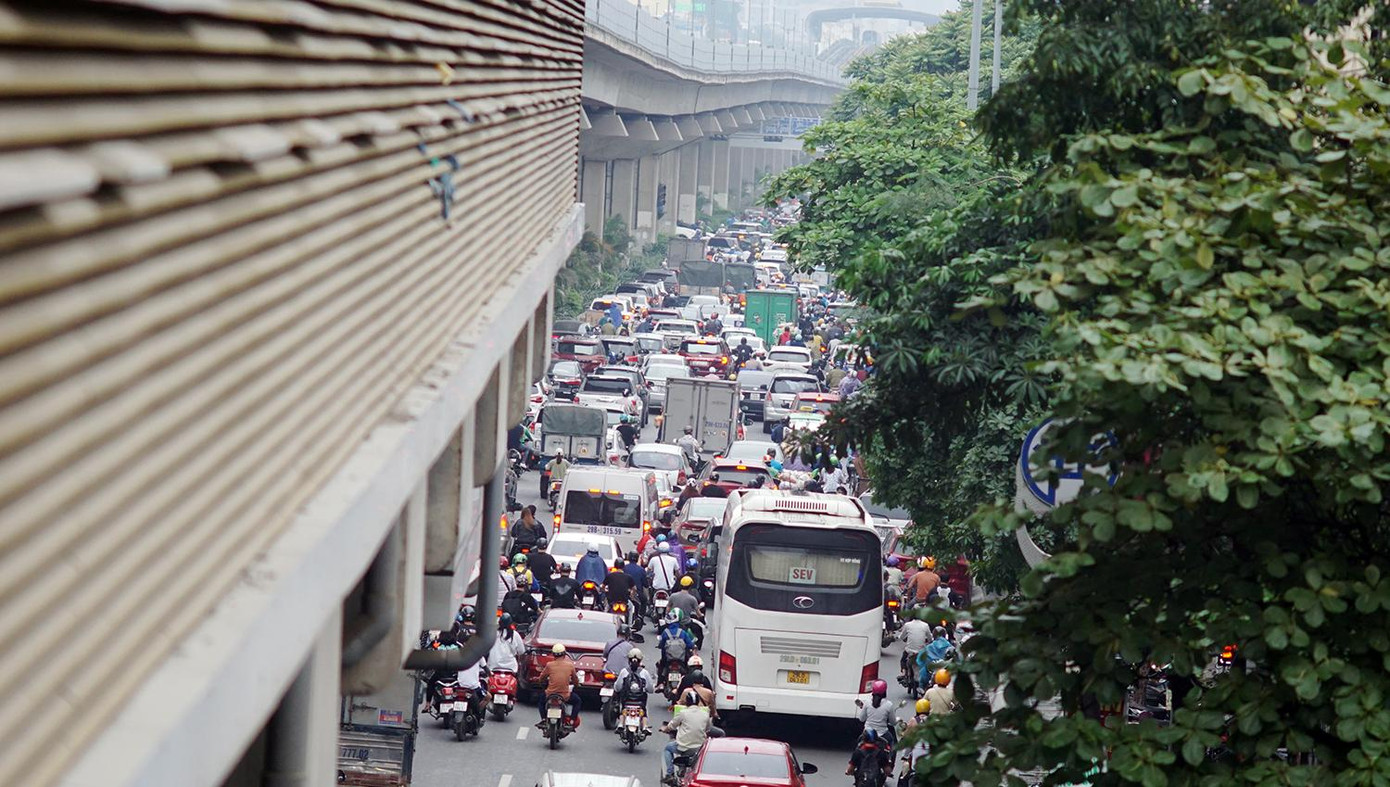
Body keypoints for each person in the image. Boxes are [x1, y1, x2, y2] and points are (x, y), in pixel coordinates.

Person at [661, 687, 713, 784]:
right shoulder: (705, 714)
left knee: (668, 748)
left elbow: (672, 725)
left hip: (683, 747)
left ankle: (670, 774)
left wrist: (665, 729)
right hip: (698, 748)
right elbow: (708, 728)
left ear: (687, 702)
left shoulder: (683, 713)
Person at [536, 643, 581, 723]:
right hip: (565, 696)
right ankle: (572, 720)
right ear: (564, 654)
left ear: (553, 654)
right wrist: (577, 685)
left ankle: (543, 719)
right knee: (577, 701)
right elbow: (575, 680)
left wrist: (540, 681)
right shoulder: (570, 666)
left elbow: (542, 678)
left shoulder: (549, 665)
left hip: (550, 694)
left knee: (540, 701)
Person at [657, 610, 696, 688]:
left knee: (661, 665)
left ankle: (660, 683)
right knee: (689, 668)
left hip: (667, 659)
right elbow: (690, 644)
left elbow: (661, 644)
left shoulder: (665, 632)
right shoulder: (682, 632)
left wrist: (660, 646)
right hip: (682, 659)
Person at [615, 646, 656, 718]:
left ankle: (621, 723)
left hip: (626, 700)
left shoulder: (624, 672)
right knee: (644, 713)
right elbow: (650, 689)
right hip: (640, 702)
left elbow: (617, 687)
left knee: (623, 711)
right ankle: (644, 726)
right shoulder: (644, 672)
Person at [855, 679, 896, 747]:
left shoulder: (867, 703)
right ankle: (891, 757)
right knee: (892, 740)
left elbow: (861, 719)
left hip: (867, 733)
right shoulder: (889, 705)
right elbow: (893, 722)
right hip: (882, 734)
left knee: (858, 745)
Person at [898, 615, 932, 681]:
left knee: (903, 660)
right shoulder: (925, 625)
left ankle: (904, 672)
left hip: (909, 651)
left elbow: (901, 637)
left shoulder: (907, 625)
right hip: (921, 652)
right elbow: (930, 639)